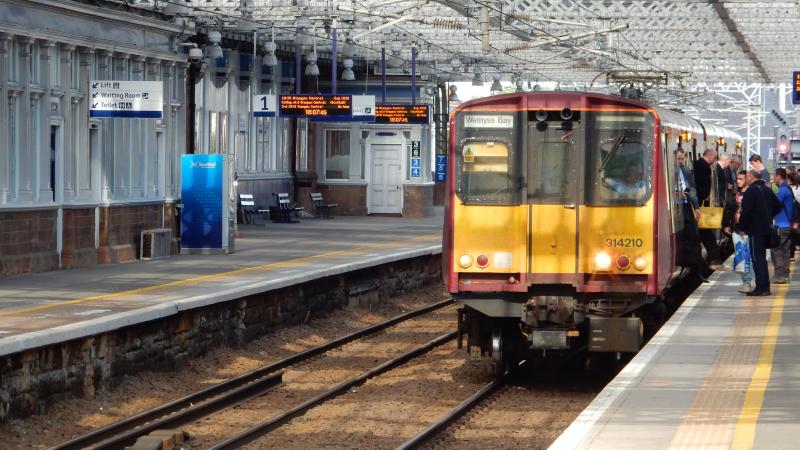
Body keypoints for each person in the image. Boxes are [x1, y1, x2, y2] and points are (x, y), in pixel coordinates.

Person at [738, 169, 779, 296]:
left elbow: (747, 212)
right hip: (766, 229)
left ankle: (761, 288)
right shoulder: (767, 189)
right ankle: (764, 287)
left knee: (757, 259)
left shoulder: (751, 191)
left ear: (751, 177)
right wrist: (768, 216)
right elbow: (778, 206)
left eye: (747, 177)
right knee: (761, 258)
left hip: (755, 230)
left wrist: (742, 227)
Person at [675, 149, 707, 282]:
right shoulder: (667, 172)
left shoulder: (686, 170)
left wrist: (697, 208)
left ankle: (697, 272)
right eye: (678, 159)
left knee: (694, 240)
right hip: (674, 208)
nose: (681, 161)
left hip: (686, 207)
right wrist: (675, 194)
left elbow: (692, 190)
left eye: (682, 158)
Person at [722, 170, 753, 292]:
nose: (738, 181)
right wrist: (725, 225)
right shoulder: (734, 194)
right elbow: (728, 209)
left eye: (741, 179)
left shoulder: (752, 194)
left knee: (748, 257)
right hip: (736, 230)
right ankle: (746, 282)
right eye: (737, 179)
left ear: (747, 179)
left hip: (749, 231)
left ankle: (748, 282)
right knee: (741, 256)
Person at [693, 148, 722, 268]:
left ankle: (714, 258)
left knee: (705, 233)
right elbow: (703, 188)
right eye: (714, 158)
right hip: (701, 206)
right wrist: (706, 196)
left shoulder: (698, 164)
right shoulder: (703, 166)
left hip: (700, 205)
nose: (715, 161)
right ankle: (715, 258)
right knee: (706, 232)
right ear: (709, 155)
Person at [772, 168, 794, 284]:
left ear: (779, 177)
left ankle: (779, 276)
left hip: (781, 225)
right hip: (787, 225)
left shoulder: (782, 190)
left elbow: (775, 205)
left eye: (774, 176)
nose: (773, 178)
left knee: (777, 250)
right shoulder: (787, 189)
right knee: (785, 251)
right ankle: (785, 275)